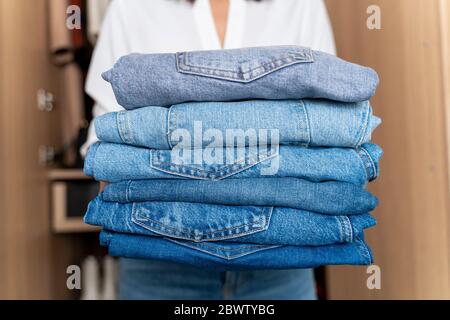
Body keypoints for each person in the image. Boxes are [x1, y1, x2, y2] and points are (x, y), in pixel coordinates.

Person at [83, 0, 336, 300]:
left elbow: (326, 129)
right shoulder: (132, 7)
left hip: (280, 272)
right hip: (160, 272)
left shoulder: (300, 5)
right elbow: (107, 151)